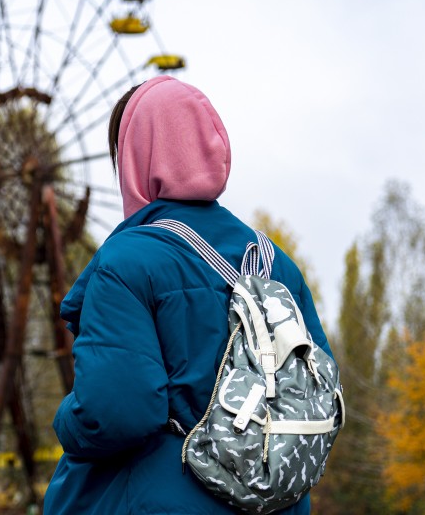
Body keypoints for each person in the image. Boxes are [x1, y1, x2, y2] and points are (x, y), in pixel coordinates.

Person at [43, 75, 333, 514]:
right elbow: (320, 395)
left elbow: (119, 410)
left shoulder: (127, 261)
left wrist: (67, 421)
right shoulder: (278, 266)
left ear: (134, 160)